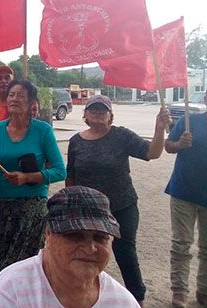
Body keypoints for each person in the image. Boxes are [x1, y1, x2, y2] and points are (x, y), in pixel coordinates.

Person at [0, 79, 66, 306]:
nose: (14, 99)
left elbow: (59, 171)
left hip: (31, 209)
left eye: (21, 95)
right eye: (11, 95)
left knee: (18, 266)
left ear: (31, 103)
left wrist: (27, 177)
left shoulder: (43, 131)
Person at [66, 94, 170, 305]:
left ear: (110, 115)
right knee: (87, 252)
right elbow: (71, 177)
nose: (97, 112)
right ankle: (86, 296)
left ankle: (137, 299)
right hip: (90, 210)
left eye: (102, 109)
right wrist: (72, 207)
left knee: (125, 251)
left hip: (123, 205)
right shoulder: (75, 141)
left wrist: (159, 129)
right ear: (85, 114)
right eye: (93, 109)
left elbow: (152, 152)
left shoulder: (121, 136)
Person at [0, 186, 140, 307]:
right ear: (48, 234)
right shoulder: (10, 291)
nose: (90, 248)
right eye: (74, 235)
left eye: (100, 237)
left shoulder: (122, 302)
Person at [164, 94, 207, 308]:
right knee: (181, 244)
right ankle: (179, 291)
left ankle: (204, 290)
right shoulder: (190, 121)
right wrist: (180, 143)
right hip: (183, 192)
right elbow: (168, 146)